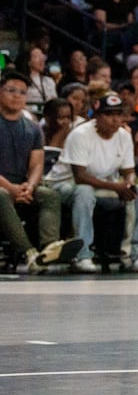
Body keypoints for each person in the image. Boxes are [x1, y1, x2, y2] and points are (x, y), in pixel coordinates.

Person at [51, 92, 138, 272]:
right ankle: (82, 255)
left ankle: (133, 254)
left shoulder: (123, 136)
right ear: (96, 117)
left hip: (102, 185)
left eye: (118, 114)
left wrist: (128, 184)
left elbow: (128, 171)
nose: (115, 120)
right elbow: (80, 176)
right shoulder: (81, 135)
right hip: (63, 185)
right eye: (109, 115)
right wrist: (116, 187)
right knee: (84, 191)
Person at [0, 70, 83, 272]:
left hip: (22, 185)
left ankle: (48, 249)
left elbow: (37, 164)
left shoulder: (32, 128)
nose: (17, 95)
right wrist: (12, 189)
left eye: (22, 92)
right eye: (11, 90)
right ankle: (29, 253)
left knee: (50, 195)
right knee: (1, 195)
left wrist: (30, 186)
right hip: (3, 186)